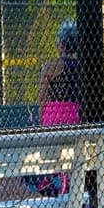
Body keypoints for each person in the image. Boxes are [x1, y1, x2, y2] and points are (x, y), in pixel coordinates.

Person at [26, 21, 82, 197]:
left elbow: (42, 98)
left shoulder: (50, 66)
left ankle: (55, 183)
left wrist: (42, 120)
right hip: (76, 116)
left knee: (51, 155)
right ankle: (70, 186)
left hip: (53, 117)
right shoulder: (85, 66)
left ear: (62, 44)